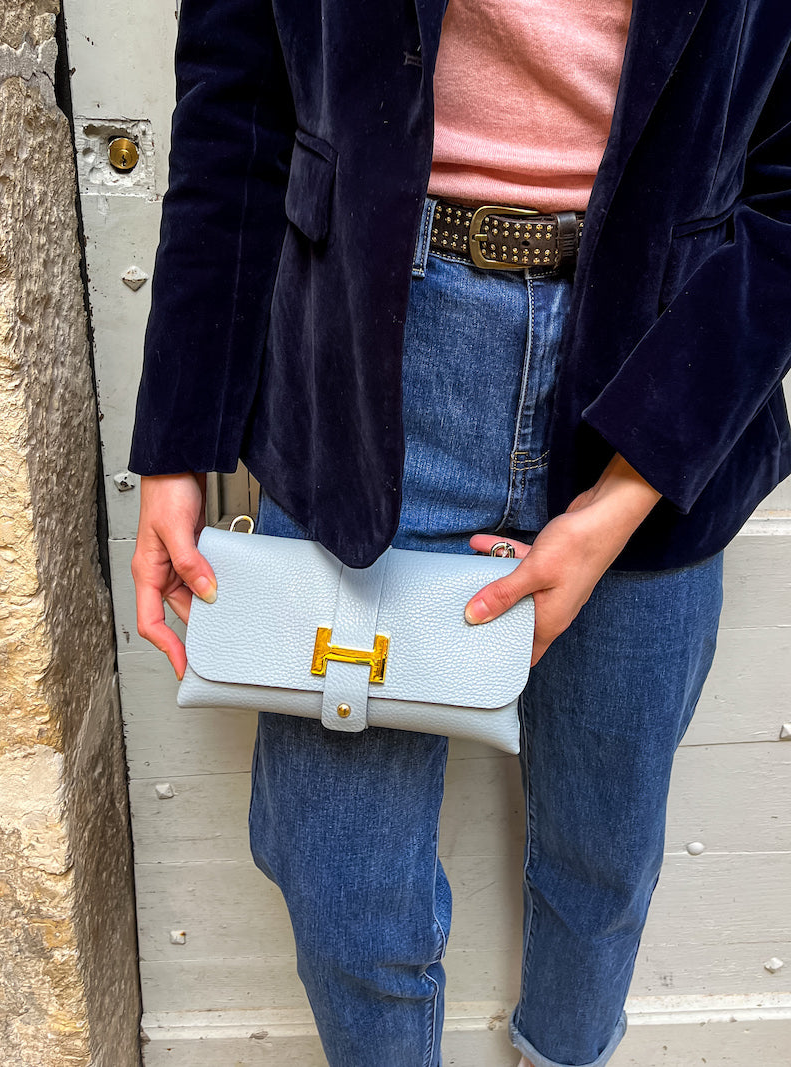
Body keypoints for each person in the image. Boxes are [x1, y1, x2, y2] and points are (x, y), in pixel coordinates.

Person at [129, 1, 791, 1064]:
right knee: (342, 882)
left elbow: (780, 200)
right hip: (364, 363)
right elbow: (235, 109)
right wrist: (176, 442)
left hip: (660, 367)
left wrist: (625, 494)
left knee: (603, 856)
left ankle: (561, 1052)